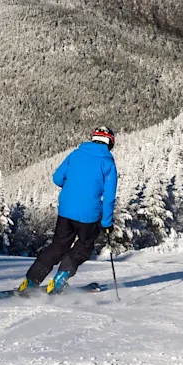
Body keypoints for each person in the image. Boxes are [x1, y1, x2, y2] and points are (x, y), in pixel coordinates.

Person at [19, 126, 119, 294]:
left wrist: (73, 185)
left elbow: (57, 178)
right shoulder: (108, 164)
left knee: (58, 245)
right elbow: (109, 197)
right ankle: (60, 279)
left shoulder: (75, 154)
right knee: (84, 246)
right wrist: (107, 222)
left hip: (65, 210)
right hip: (88, 215)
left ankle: (31, 281)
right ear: (110, 143)